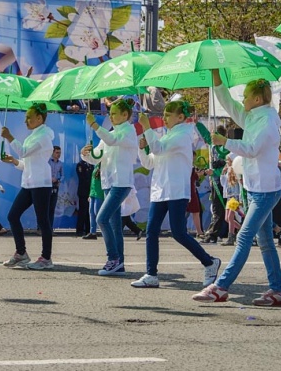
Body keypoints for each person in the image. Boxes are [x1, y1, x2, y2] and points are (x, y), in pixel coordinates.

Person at [194, 76, 281, 307]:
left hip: (266, 190)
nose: (242, 100)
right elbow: (230, 105)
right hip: (256, 189)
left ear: (257, 99)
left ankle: (221, 287)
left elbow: (252, 149)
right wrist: (216, 79)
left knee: (244, 237)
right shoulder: (254, 117)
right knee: (265, 242)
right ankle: (277, 290)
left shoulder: (266, 121)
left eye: (246, 96)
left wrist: (225, 142)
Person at [132, 102, 221, 289]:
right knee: (151, 232)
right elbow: (149, 163)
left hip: (176, 191)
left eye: (168, 114)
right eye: (163, 114)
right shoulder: (167, 136)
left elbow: (157, 149)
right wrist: (142, 148)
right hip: (160, 191)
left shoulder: (182, 135)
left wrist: (146, 127)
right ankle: (151, 274)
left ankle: (209, 262)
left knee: (179, 233)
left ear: (180, 117)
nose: (164, 118)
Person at [83, 98, 138, 277]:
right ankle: (119, 264)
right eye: (110, 113)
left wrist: (95, 126)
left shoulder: (129, 131)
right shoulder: (110, 133)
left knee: (101, 219)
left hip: (121, 184)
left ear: (125, 115)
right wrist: (85, 154)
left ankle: (113, 258)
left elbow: (113, 141)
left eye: (114, 113)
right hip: (107, 183)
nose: (111, 116)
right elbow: (96, 157)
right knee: (115, 226)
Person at [0, 104, 56, 269]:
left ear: (39, 118)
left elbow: (23, 151)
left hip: (41, 184)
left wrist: (9, 137)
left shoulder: (44, 136)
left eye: (29, 117)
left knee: (43, 221)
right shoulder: (33, 135)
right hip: (29, 183)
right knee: (13, 216)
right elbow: (27, 161)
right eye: (25, 118)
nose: (26, 121)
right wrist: (14, 161)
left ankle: (46, 258)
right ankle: (21, 253)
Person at [75, 157, 94, 236]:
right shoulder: (80, 164)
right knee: (82, 211)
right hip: (83, 191)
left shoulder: (91, 165)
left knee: (89, 211)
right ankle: (79, 230)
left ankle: (88, 230)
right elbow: (82, 177)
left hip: (90, 191)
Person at [48, 145, 64, 230]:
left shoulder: (60, 163)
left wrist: (58, 180)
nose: (58, 154)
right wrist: (49, 178)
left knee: (52, 208)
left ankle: (50, 228)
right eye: (57, 152)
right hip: (46, 186)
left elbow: (62, 175)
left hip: (55, 186)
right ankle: (40, 228)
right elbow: (43, 173)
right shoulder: (47, 162)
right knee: (44, 208)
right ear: (52, 152)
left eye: (60, 153)